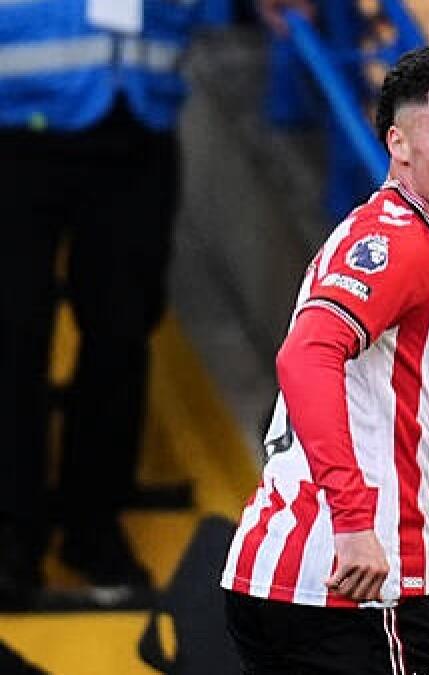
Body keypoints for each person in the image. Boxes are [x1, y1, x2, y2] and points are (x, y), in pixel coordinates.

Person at [221, 44, 429, 675]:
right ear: (398, 144)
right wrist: (354, 521)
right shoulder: (400, 242)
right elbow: (304, 357)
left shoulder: (384, 232)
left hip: (281, 570)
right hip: (352, 579)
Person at [0, 0, 205, 607]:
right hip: (15, 129)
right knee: (14, 335)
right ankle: (12, 536)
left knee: (122, 335)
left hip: (137, 128)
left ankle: (93, 529)